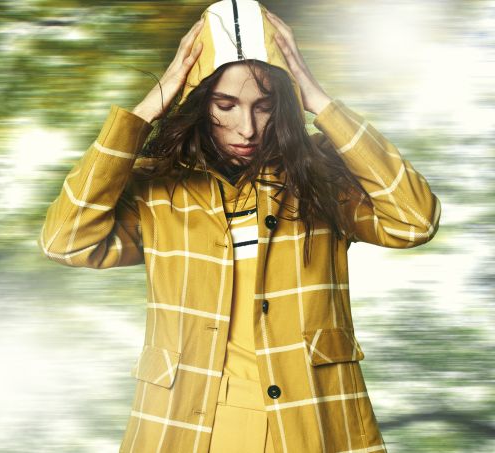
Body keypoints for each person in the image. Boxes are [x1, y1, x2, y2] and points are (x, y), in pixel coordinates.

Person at [38, 1, 441, 452]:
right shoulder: (159, 189)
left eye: (264, 106)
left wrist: (320, 101)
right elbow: (65, 241)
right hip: (190, 420)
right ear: (197, 103)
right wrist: (145, 112)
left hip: (308, 416)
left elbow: (414, 220)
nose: (246, 128)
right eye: (225, 105)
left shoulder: (320, 177)